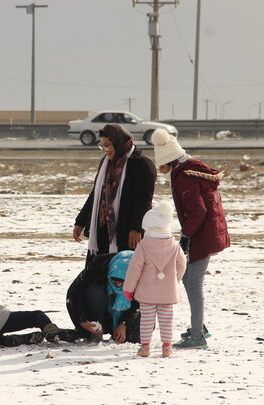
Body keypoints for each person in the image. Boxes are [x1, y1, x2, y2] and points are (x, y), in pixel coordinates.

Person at [151, 128, 230, 349]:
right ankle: (199, 327)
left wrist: (186, 235)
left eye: (161, 165)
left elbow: (198, 212)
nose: (160, 170)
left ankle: (198, 335)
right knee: (190, 280)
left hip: (201, 233)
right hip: (206, 231)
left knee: (193, 282)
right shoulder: (189, 169)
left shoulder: (185, 176)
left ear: (170, 161)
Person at [72, 124, 156, 264]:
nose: (105, 150)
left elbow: (144, 201)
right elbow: (95, 195)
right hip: (102, 229)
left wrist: (136, 228)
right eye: (102, 146)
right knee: (98, 275)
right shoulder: (106, 163)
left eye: (108, 145)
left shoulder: (142, 165)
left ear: (119, 142)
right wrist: (80, 222)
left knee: (121, 274)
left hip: (126, 231)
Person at [123, 200, 186, 358]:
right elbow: (182, 264)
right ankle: (166, 348)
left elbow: (134, 269)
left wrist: (129, 289)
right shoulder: (175, 246)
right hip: (167, 292)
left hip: (147, 292)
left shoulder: (143, 246)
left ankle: (145, 347)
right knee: (167, 320)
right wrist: (174, 281)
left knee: (146, 320)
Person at [66, 250, 140, 343]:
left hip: (128, 311)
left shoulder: (143, 271)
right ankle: (94, 328)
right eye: (114, 280)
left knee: (135, 338)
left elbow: (141, 304)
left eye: (122, 281)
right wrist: (82, 321)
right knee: (95, 292)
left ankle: (117, 330)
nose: (117, 285)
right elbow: (75, 292)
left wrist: (123, 324)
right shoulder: (100, 264)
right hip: (100, 309)